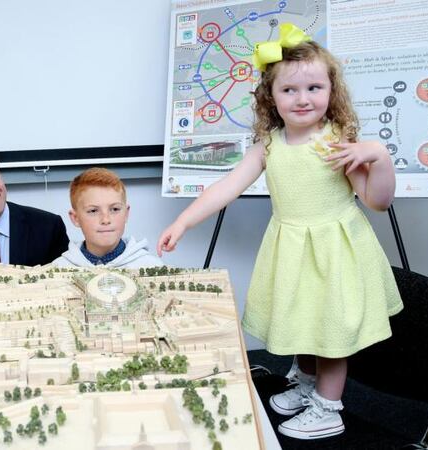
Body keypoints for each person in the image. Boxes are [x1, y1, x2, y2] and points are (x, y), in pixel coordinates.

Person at [157, 24, 402, 440]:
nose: (302, 98)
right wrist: (183, 221)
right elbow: (226, 187)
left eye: (314, 87)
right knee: (304, 320)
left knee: (329, 332)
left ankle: (328, 407)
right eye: (289, 90)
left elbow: (378, 201)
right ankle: (307, 384)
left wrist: (377, 156)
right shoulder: (267, 146)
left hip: (335, 251)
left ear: (331, 91)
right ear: (271, 97)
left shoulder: (339, 141)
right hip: (292, 247)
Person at [53, 167, 163, 268]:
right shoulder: (58, 268)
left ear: (126, 214)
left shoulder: (152, 266)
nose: (106, 220)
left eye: (115, 209)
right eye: (93, 211)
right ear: (75, 218)